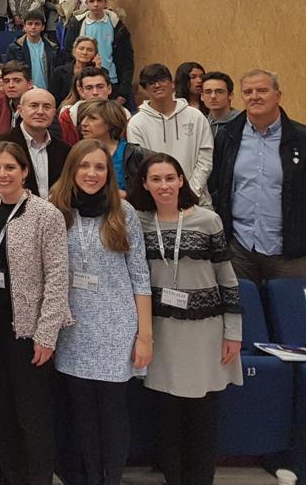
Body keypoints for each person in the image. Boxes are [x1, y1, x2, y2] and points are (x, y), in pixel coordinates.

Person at [129, 153, 242, 485]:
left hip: (206, 331)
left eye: (170, 178)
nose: (164, 185)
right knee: (167, 415)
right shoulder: (138, 222)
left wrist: (233, 331)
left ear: (181, 181)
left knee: (203, 413)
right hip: (161, 331)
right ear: (145, 185)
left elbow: (228, 278)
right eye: (156, 179)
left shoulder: (208, 220)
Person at [0, 141, 70, 485]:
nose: (2, 174)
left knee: (32, 414)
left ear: (25, 171)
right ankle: (9, 477)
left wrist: (46, 334)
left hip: (27, 329)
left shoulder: (45, 213)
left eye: (10, 168)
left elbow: (57, 278)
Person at [47, 140, 151, 485]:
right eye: (84, 166)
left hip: (115, 327)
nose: (91, 174)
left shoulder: (124, 212)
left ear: (108, 173)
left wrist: (145, 336)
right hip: (72, 327)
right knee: (81, 415)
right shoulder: (55, 210)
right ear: (72, 169)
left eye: (100, 167)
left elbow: (140, 277)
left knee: (112, 412)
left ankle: (111, 478)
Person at [209, 68, 306, 282]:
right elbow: (217, 186)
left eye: (262, 90)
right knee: (245, 312)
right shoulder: (228, 137)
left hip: (288, 251)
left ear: (278, 95)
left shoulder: (301, 139)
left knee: (290, 313)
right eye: (248, 92)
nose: (254, 97)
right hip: (240, 249)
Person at [128, 63, 213, 206]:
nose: (157, 85)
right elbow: (142, 164)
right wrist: (164, 193)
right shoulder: (136, 123)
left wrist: (190, 191)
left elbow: (205, 157)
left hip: (197, 201)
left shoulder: (195, 116)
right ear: (144, 89)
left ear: (172, 84)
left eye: (162, 80)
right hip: (158, 203)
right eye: (150, 82)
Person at [0, 88, 71, 198]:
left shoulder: (65, 150)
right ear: (20, 110)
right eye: (34, 106)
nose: (40, 112)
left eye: (47, 107)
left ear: (54, 113)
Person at [60, 0, 134, 105]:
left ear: (105, 2)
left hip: (112, 81)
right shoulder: (76, 24)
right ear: (86, 3)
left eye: (99, 1)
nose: (95, 4)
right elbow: (68, 53)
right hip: (84, 81)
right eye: (92, 1)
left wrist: (124, 91)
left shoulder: (117, 26)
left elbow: (127, 60)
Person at [200, 71, 239, 137]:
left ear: (230, 95)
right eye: (208, 92)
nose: (213, 96)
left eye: (219, 91)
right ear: (202, 97)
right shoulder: (201, 123)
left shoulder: (243, 122)